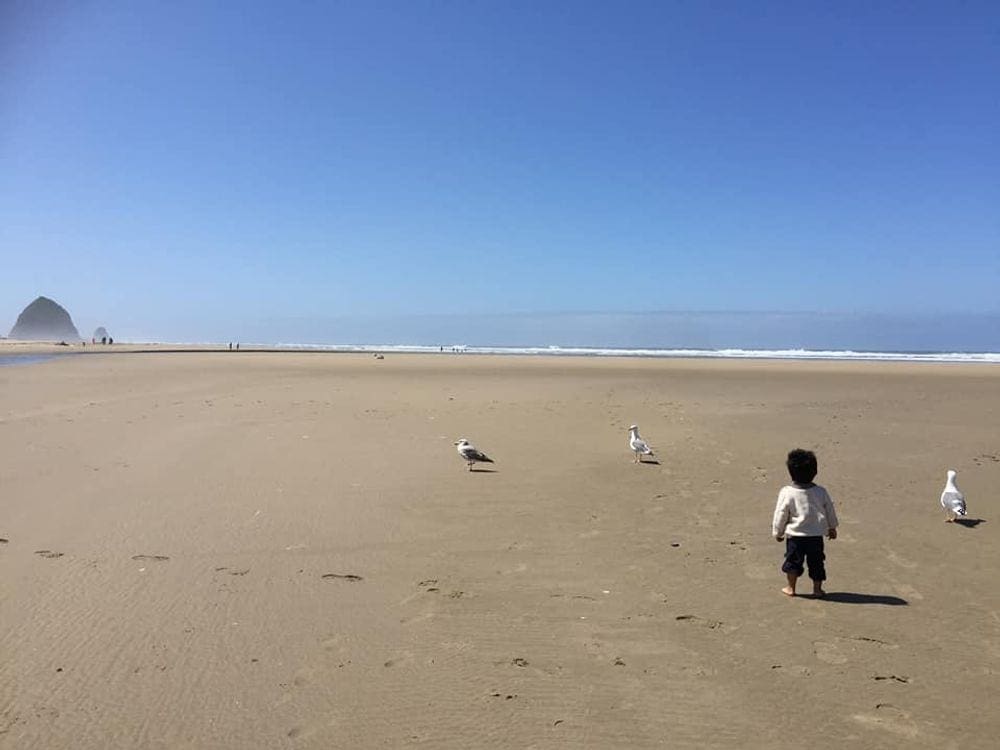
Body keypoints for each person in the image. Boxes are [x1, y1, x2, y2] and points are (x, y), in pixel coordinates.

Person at [772, 449, 838, 598]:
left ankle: (791, 588)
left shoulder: (787, 492)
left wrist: (778, 532)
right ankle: (817, 589)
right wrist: (832, 527)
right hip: (816, 535)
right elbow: (829, 510)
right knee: (817, 562)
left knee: (793, 562)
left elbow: (781, 513)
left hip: (795, 536)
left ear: (790, 471)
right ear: (815, 471)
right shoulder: (821, 491)